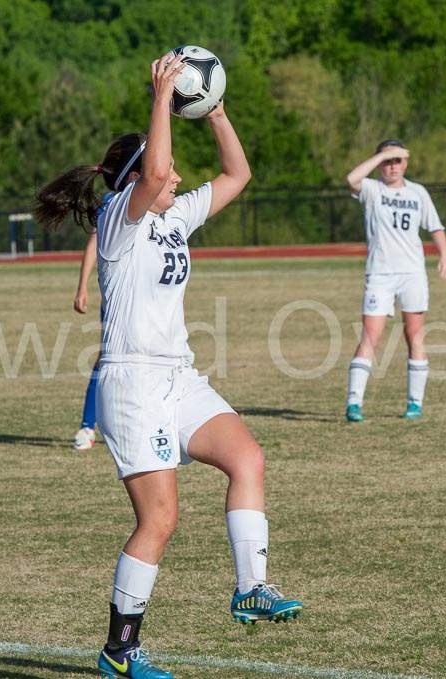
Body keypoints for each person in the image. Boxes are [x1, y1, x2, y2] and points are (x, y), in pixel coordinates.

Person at [33, 53, 302, 679]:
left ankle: (252, 589)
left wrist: (215, 109)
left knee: (248, 458)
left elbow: (238, 173)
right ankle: (119, 651)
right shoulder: (121, 217)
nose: (177, 177)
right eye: (165, 167)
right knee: (158, 519)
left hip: (178, 374)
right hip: (131, 383)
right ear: (132, 179)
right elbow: (154, 173)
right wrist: (161, 98)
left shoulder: (173, 218)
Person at [344, 139, 446, 422]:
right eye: (386, 161)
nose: (392, 166)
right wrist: (381, 154)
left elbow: (435, 227)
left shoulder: (418, 192)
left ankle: (414, 403)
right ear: (379, 163)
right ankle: (354, 403)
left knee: (414, 335)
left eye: (397, 161)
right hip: (380, 274)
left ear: (406, 163)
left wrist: (445, 255)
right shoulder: (372, 189)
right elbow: (352, 179)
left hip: (412, 274)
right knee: (371, 336)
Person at [72, 229, 100, 451]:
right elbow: (94, 242)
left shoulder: (165, 202)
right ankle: (87, 426)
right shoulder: (113, 202)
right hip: (120, 300)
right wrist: (82, 286)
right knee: (109, 356)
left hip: (157, 300)